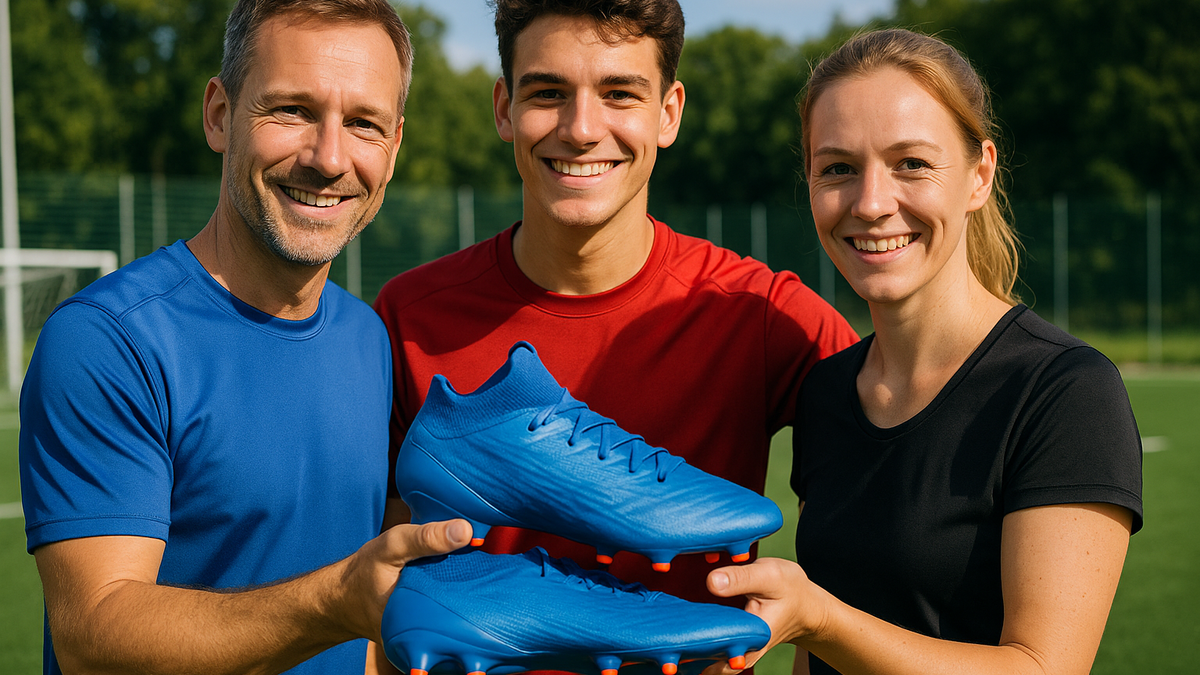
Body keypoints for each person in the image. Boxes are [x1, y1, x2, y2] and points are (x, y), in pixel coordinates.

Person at [18, 1, 470, 674]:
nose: (329, 156)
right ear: (220, 114)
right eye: (291, 110)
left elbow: (370, 624)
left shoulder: (369, 338)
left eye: (364, 123)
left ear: (395, 146)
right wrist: (332, 602)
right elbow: (93, 635)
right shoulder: (109, 340)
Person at [373, 0, 856, 627]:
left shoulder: (762, 314)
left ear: (669, 112)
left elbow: (908, 486)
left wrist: (813, 627)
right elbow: (375, 592)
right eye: (548, 92)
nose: (580, 128)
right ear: (504, 109)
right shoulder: (409, 318)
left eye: (619, 93)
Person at [704, 28, 1144, 675]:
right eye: (838, 168)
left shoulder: (1064, 390)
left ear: (979, 175)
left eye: (911, 163)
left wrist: (821, 617)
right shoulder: (825, 393)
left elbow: (1043, 667)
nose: (872, 202)